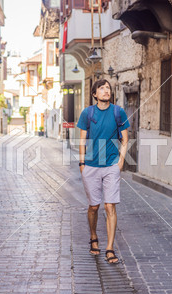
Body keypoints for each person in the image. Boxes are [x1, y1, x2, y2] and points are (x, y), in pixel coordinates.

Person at [76, 79, 130, 264]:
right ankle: (93, 236)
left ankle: (109, 248)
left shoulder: (118, 112)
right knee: (94, 206)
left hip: (111, 166)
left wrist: (120, 161)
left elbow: (125, 138)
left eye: (108, 88)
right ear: (94, 94)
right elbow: (82, 140)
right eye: (102, 88)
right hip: (90, 166)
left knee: (110, 206)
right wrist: (82, 164)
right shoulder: (87, 113)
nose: (106, 91)